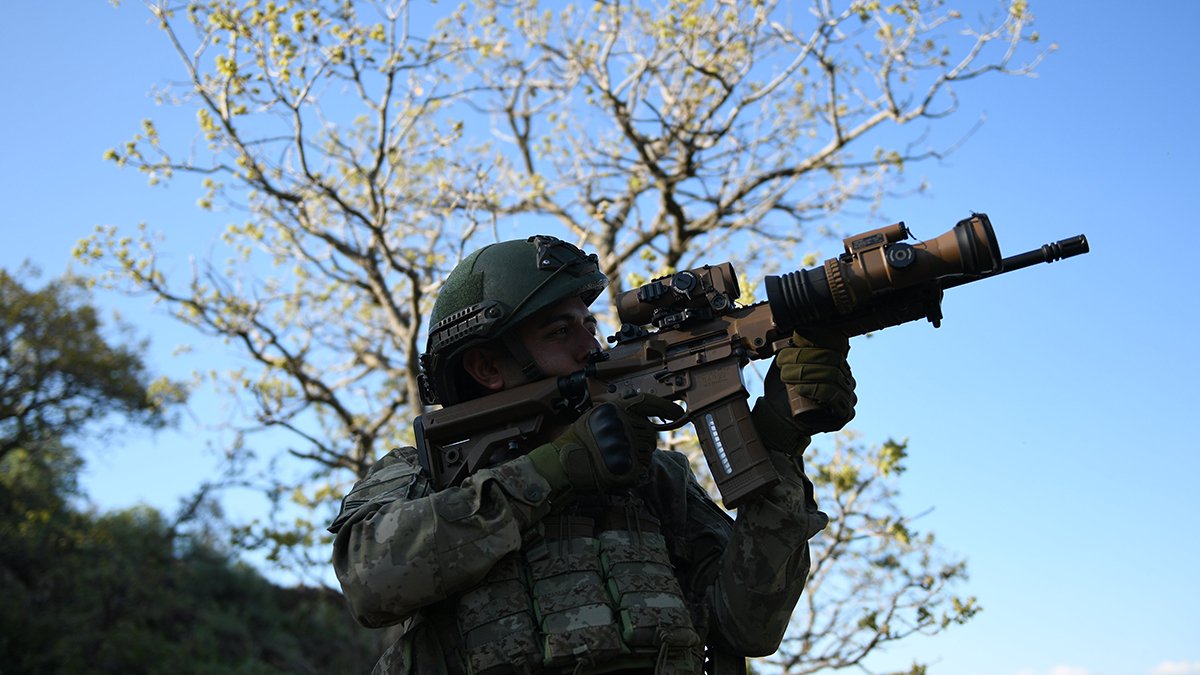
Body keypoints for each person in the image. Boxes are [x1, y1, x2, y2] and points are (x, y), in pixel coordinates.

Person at [329, 235, 856, 674]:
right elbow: (372, 579)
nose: (590, 348)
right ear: (488, 368)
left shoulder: (655, 479)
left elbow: (750, 625)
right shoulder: (420, 474)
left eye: (590, 326)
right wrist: (552, 470)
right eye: (560, 332)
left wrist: (782, 443)